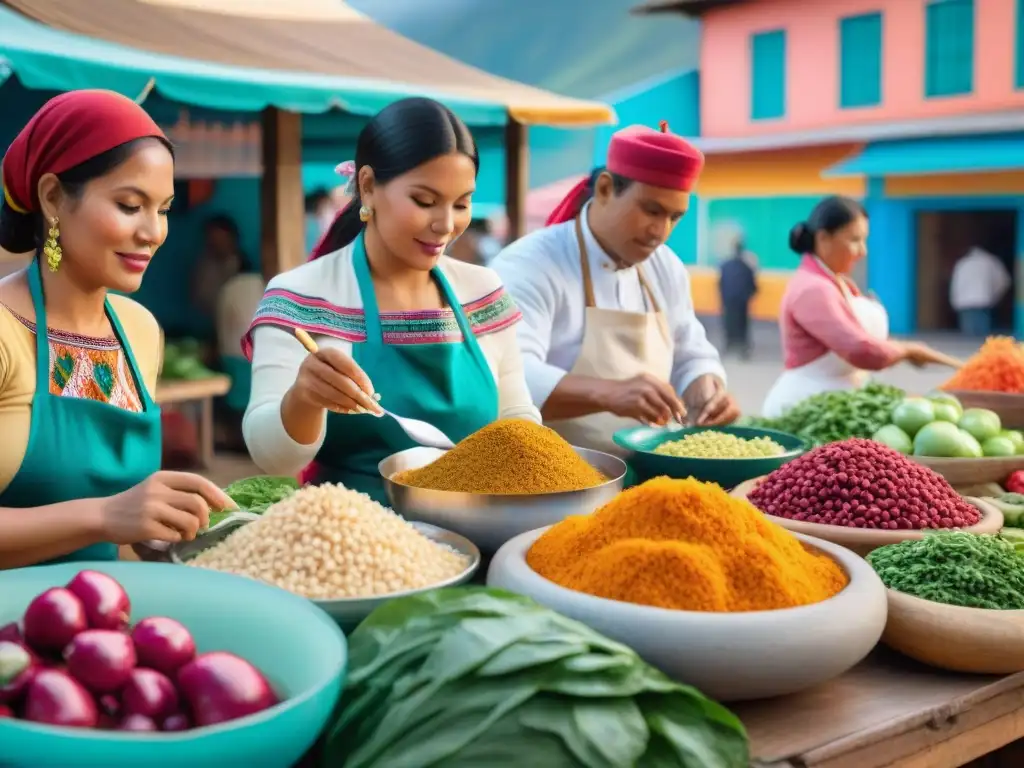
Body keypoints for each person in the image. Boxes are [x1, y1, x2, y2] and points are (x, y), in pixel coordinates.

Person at [242, 98, 540, 502]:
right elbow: (271, 458)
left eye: (462, 203)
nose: (446, 225)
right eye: (424, 201)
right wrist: (304, 399)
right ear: (368, 187)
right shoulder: (300, 297)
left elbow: (516, 419)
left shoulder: (482, 292)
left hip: (477, 525)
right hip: (348, 537)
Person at [0, 89, 232, 569]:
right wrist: (105, 516)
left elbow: (119, 534)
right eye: (130, 205)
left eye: (164, 209)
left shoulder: (140, 330)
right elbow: (106, 516)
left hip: (106, 622)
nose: (154, 232)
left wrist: (154, 530)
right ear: (52, 197)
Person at [491, 123, 739, 455]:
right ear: (606, 189)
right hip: (552, 471)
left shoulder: (666, 266)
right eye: (651, 210)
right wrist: (606, 393)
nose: (660, 231)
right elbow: (506, 375)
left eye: (674, 217)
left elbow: (691, 352)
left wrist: (706, 388)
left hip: (650, 471)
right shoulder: (530, 264)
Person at [762, 196, 945, 418]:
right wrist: (906, 350)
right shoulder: (812, 289)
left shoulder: (838, 281)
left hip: (838, 399)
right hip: (808, 405)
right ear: (823, 238)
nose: (863, 251)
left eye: (864, 240)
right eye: (855, 240)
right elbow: (860, 350)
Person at [191, 214, 245, 326]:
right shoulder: (205, 266)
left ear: (232, 239)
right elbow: (200, 298)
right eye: (212, 240)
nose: (217, 244)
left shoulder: (243, 268)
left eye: (221, 239)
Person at [950, 243, 1010, 337]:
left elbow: (956, 284)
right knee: (983, 335)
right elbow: (1003, 281)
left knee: (968, 335)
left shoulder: (963, 263)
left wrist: (954, 300)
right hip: (983, 300)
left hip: (965, 302)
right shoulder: (991, 261)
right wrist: (995, 295)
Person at [718, 237, 758, 359]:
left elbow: (720, 284)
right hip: (742, 301)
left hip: (728, 300)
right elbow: (753, 285)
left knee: (729, 323)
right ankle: (743, 349)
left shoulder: (725, 265)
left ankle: (729, 346)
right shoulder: (747, 266)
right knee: (742, 325)